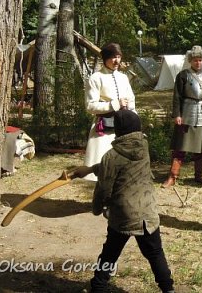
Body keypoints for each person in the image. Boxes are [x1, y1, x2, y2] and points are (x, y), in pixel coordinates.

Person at [72, 110, 174, 293]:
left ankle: (98, 287)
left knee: (109, 254)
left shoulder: (111, 156)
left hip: (123, 215)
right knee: (155, 253)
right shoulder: (144, 146)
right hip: (147, 212)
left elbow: (104, 187)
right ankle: (168, 289)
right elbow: (117, 166)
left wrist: (97, 208)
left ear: (117, 130)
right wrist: (88, 170)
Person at [162, 45, 202, 188]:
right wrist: (177, 115)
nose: (198, 63)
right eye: (195, 60)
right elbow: (177, 97)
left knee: (201, 148)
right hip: (186, 114)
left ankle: (198, 176)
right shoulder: (183, 75)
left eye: (200, 60)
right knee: (180, 147)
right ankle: (172, 177)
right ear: (190, 61)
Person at [83, 43, 136, 181]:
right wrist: (115, 104)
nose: (117, 61)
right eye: (113, 57)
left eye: (119, 57)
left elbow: (131, 101)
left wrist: (135, 121)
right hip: (104, 128)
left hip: (124, 128)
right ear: (105, 58)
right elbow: (90, 106)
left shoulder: (123, 77)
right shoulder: (96, 78)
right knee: (102, 168)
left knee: (122, 169)